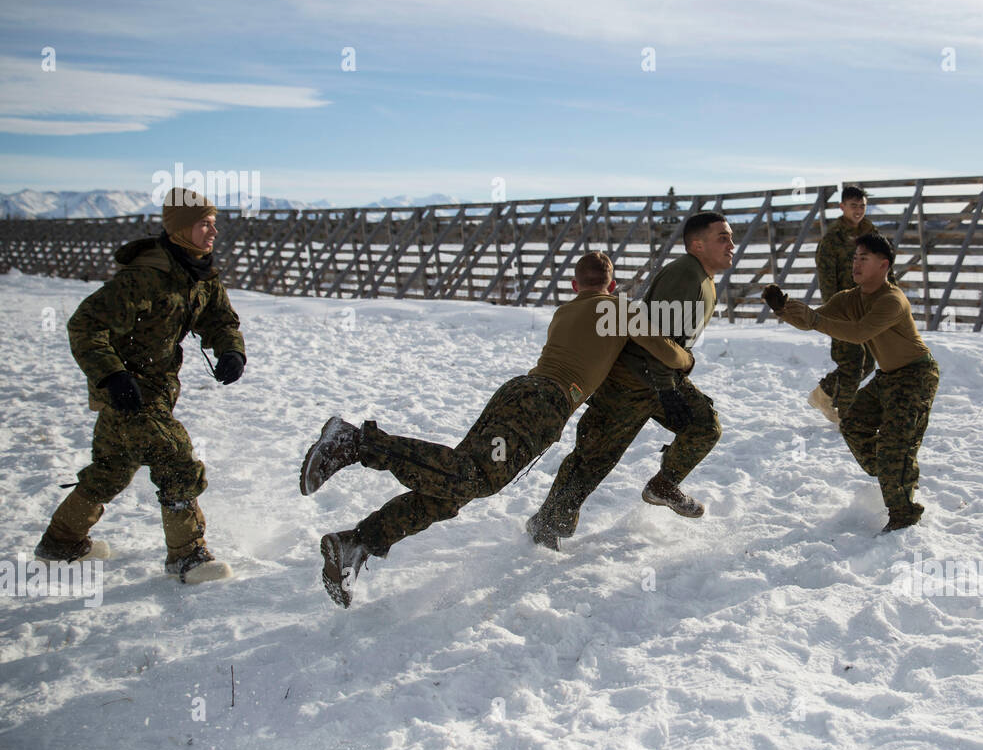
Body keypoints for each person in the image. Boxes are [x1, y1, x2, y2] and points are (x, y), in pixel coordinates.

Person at [300, 252, 694, 607]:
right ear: (611, 284)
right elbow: (667, 353)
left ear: (575, 286)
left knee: (455, 488)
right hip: (543, 406)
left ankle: (358, 541)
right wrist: (687, 358)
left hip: (518, 392)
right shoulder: (618, 309)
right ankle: (356, 442)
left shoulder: (564, 311)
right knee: (469, 476)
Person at [34, 187, 246, 582]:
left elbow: (221, 320)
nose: (213, 231)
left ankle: (60, 544)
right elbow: (85, 325)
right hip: (127, 391)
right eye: (204, 224)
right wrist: (112, 375)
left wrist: (231, 351)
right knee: (177, 458)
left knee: (111, 469)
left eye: (214, 223)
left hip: (157, 391)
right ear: (181, 228)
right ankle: (188, 557)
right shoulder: (145, 277)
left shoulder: (197, 272)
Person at [523, 212, 733, 547]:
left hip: (658, 380)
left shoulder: (702, 278)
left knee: (705, 427)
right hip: (632, 382)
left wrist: (669, 387)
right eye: (722, 237)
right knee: (593, 458)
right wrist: (667, 392)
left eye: (731, 237)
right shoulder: (685, 275)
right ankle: (547, 525)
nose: (731, 245)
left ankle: (663, 485)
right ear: (697, 244)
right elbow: (655, 338)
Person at [764, 233, 939, 533]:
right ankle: (894, 471)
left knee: (895, 446)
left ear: (883, 265)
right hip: (887, 377)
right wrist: (784, 308)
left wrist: (816, 321)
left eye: (864, 259)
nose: (855, 263)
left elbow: (859, 333)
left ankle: (904, 518)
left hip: (915, 376)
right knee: (854, 424)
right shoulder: (849, 298)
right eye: (855, 257)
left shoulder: (892, 299)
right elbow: (813, 320)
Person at [809, 185, 879, 424]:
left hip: (870, 308)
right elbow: (827, 279)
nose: (858, 210)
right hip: (844, 311)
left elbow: (885, 267)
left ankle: (824, 393)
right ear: (842, 207)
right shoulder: (832, 240)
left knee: (869, 360)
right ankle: (847, 418)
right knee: (852, 360)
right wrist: (836, 312)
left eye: (862, 206)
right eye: (853, 206)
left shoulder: (872, 234)